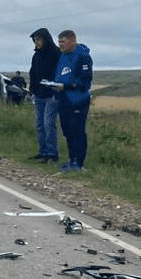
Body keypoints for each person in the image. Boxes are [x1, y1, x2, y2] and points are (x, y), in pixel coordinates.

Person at [49, 29, 93, 172]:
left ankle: (79, 163)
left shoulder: (83, 57)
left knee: (77, 131)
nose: (60, 45)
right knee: (67, 131)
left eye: (63, 42)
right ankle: (71, 160)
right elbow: (60, 76)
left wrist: (66, 86)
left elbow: (85, 82)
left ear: (72, 40)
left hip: (78, 100)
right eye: (59, 42)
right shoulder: (63, 57)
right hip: (63, 99)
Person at [28, 28, 61, 164]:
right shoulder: (36, 56)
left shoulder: (57, 54)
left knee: (48, 124)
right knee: (40, 124)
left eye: (38, 39)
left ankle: (52, 154)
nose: (36, 42)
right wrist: (32, 90)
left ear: (45, 39)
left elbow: (60, 74)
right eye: (35, 40)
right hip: (38, 94)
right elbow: (33, 73)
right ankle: (43, 153)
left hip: (52, 94)